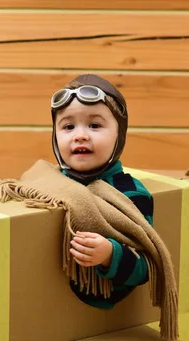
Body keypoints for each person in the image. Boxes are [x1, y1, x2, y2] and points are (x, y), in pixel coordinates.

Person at [50, 74, 154, 309]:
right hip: (49, 305)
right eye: (68, 126)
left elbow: (147, 267)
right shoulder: (48, 185)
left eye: (95, 125)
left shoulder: (131, 194)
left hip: (100, 312)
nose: (80, 135)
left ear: (119, 135)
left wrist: (110, 254)